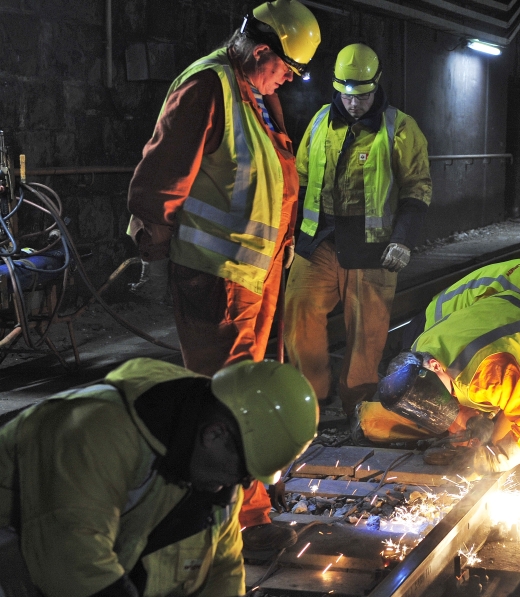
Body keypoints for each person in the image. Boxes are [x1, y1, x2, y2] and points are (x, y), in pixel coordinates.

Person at [125, 0, 321, 551]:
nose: (287, 79)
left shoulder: (257, 95)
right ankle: (235, 521)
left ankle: (251, 489)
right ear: (261, 50)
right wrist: (153, 238)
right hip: (216, 278)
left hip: (254, 276)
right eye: (285, 68)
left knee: (253, 387)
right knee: (229, 397)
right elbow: (160, 173)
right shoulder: (208, 87)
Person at [0, 358, 317, 597]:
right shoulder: (91, 432)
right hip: (29, 559)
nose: (244, 485)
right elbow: (73, 566)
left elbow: (223, 568)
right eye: (245, 472)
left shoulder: (211, 455)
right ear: (214, 434)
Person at [285, 43, 432, 418]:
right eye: (347, 96)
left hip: (373, 249)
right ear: (337, 88)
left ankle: (358, 406)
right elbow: (299, 180)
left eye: (363, 96)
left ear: (376, 86)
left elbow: (417, 188)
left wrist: (403, 239)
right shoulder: (319, 122)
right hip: (318, 241)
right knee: (299, 313)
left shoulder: (400, 128)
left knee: (366, 335)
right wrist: (289, 234)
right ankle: (310, 399)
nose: (354, 104)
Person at [356, 291, 520, 472]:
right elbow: (439, 401)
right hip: (508, 311)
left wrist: (501, 456)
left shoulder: (487, 374)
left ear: (434, 365)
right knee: (469, 426)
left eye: (436, 397)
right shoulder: (420, 349)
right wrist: (463, 427)